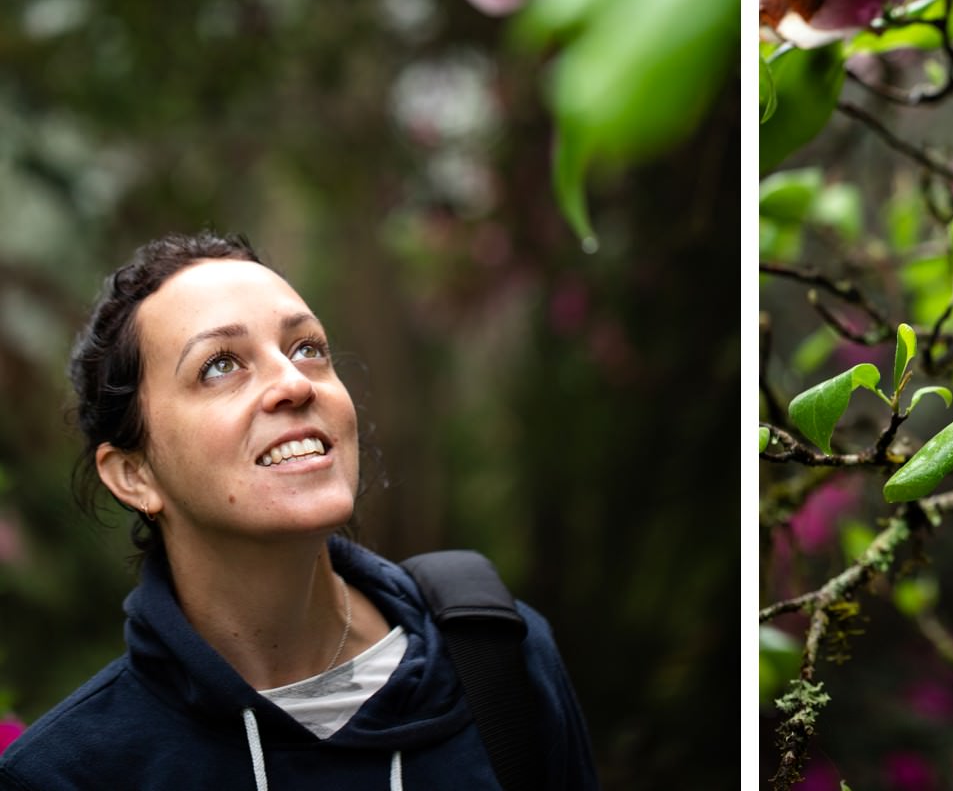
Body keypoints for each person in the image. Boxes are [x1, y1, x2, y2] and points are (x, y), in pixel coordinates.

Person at [0, 232, 597, 790]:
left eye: (307, 348)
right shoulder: (67, 773)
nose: (294, 382)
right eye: (220, 365)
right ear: (135, 475)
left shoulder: (498, 659)